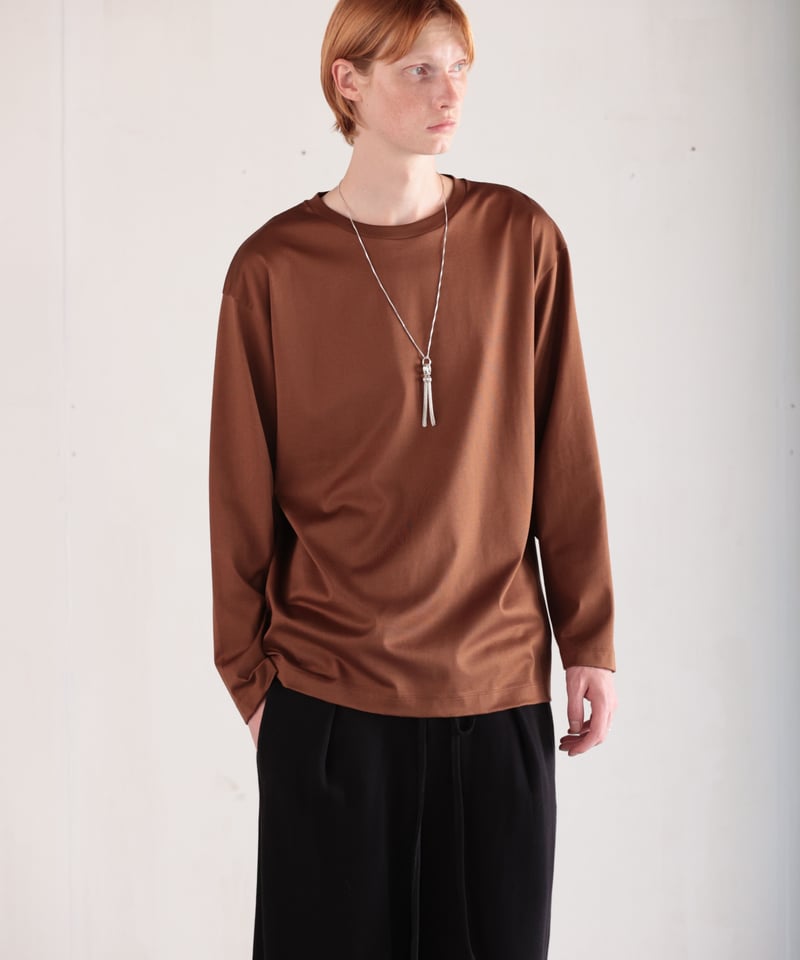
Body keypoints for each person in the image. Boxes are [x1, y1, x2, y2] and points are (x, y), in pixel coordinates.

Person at [208, 0, 618, 957]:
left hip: (496, 696)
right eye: (419, 70)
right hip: (328, 704)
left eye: (459, 67)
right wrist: (253, 684)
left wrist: (589, 639)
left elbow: (566, 450)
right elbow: (237, 492)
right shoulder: (273, 268)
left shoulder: (519, 239)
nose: (450, 93)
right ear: (348, 82)